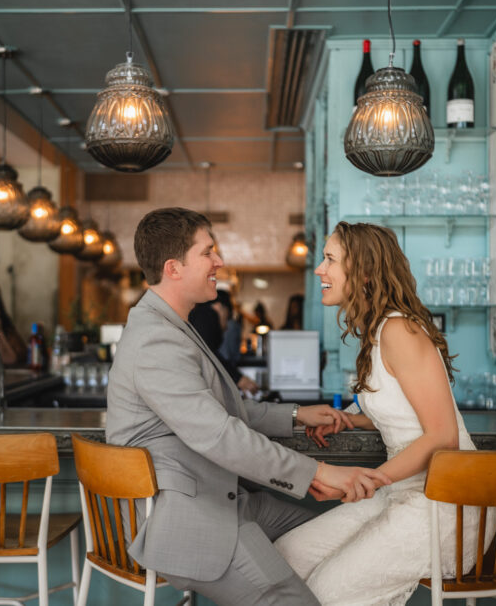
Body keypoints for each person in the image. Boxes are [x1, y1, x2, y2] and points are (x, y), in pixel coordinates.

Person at [106, 208, 389, 606]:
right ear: (173, 268)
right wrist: (319, 471)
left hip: (221, 499)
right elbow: (220, 435)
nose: (219, 262)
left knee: (334, 535)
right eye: (208, 253)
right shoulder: (157, 340)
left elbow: (223, 408)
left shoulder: (171, 324)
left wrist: (296, 415)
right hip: (186, 520)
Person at [274, 221, 496, 606]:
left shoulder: (399, 330)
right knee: (286, 557)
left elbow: (441, 435)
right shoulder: (376, 330)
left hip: (448, 506)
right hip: (403, 495)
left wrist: (364, 481)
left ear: (362, 272)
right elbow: (403, 412)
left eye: (329, 259)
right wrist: (348, 418)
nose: (319, 270)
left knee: (328, 593)